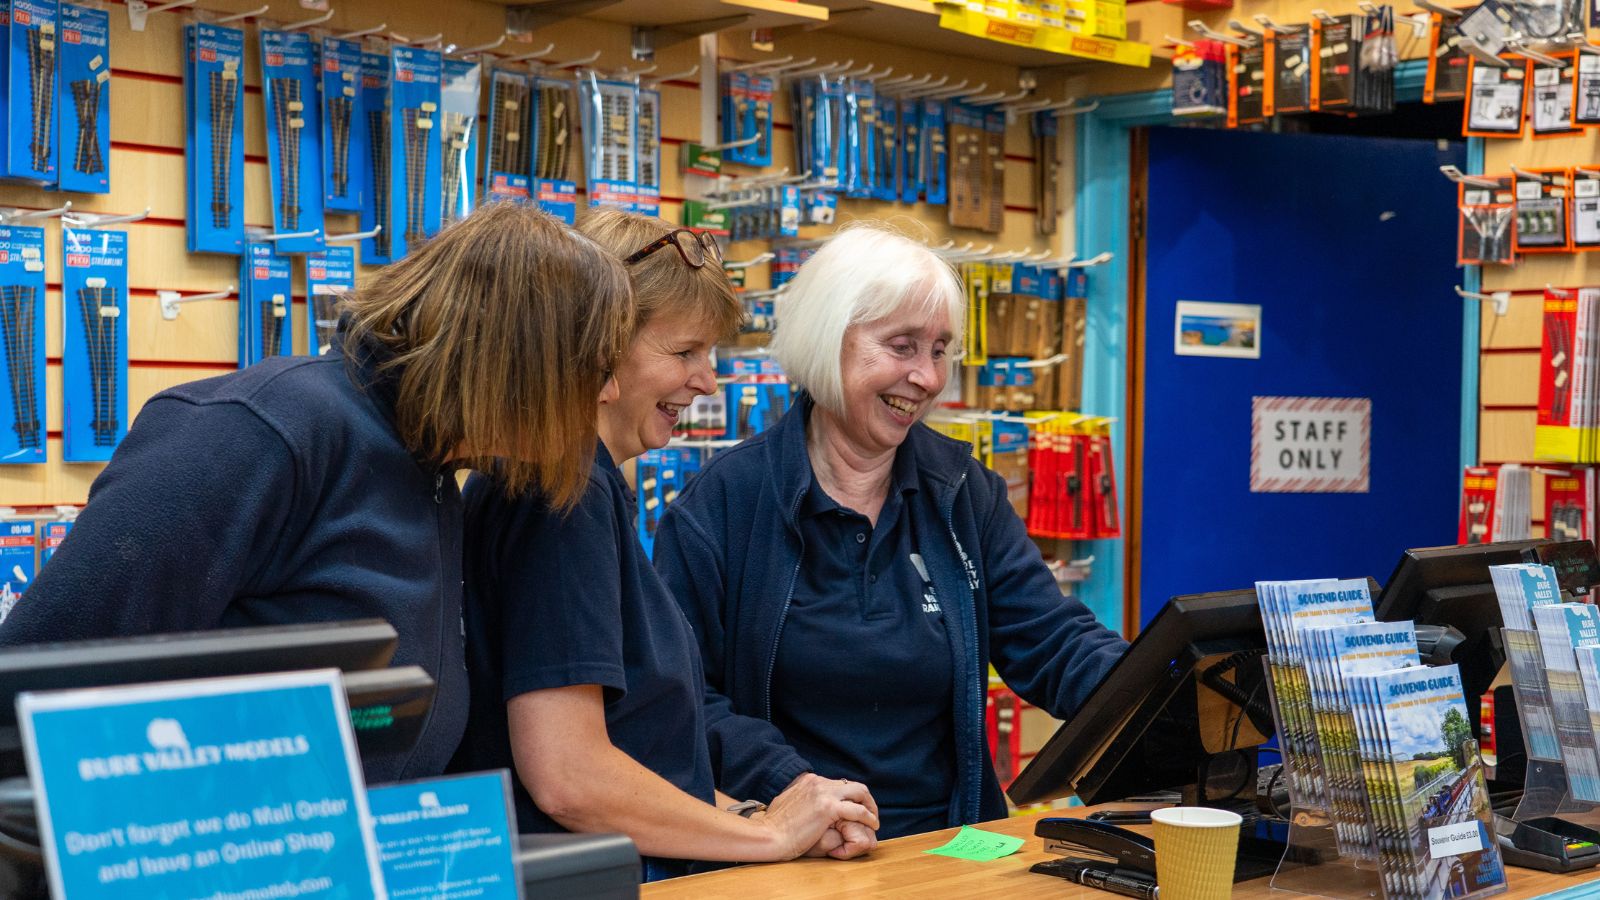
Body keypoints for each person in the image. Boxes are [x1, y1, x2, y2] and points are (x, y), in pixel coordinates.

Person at [0, 203, 633, 784]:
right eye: (595, 367)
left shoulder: (429, 465)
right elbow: (38, 688)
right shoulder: (261, 431)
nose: (605, 394)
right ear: (518, 360)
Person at [653, 224, 1130, 839]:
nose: (928, 378)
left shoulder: (963, 493)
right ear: (829, 340)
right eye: (902, 346)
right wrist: (794, 789)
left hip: (953, 851)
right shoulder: (721, 507)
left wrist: (1159, 690)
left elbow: (1052, 641)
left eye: (939, 350)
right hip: (794, 850)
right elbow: (689, 702)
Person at [450, 210, 879, 881]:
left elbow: (637, 753)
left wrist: (743, 821)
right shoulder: (564, 495)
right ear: (599, 346)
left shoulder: (563, 483)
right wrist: (768, 835)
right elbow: (570, 778)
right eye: (684, 353)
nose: (707, 382)